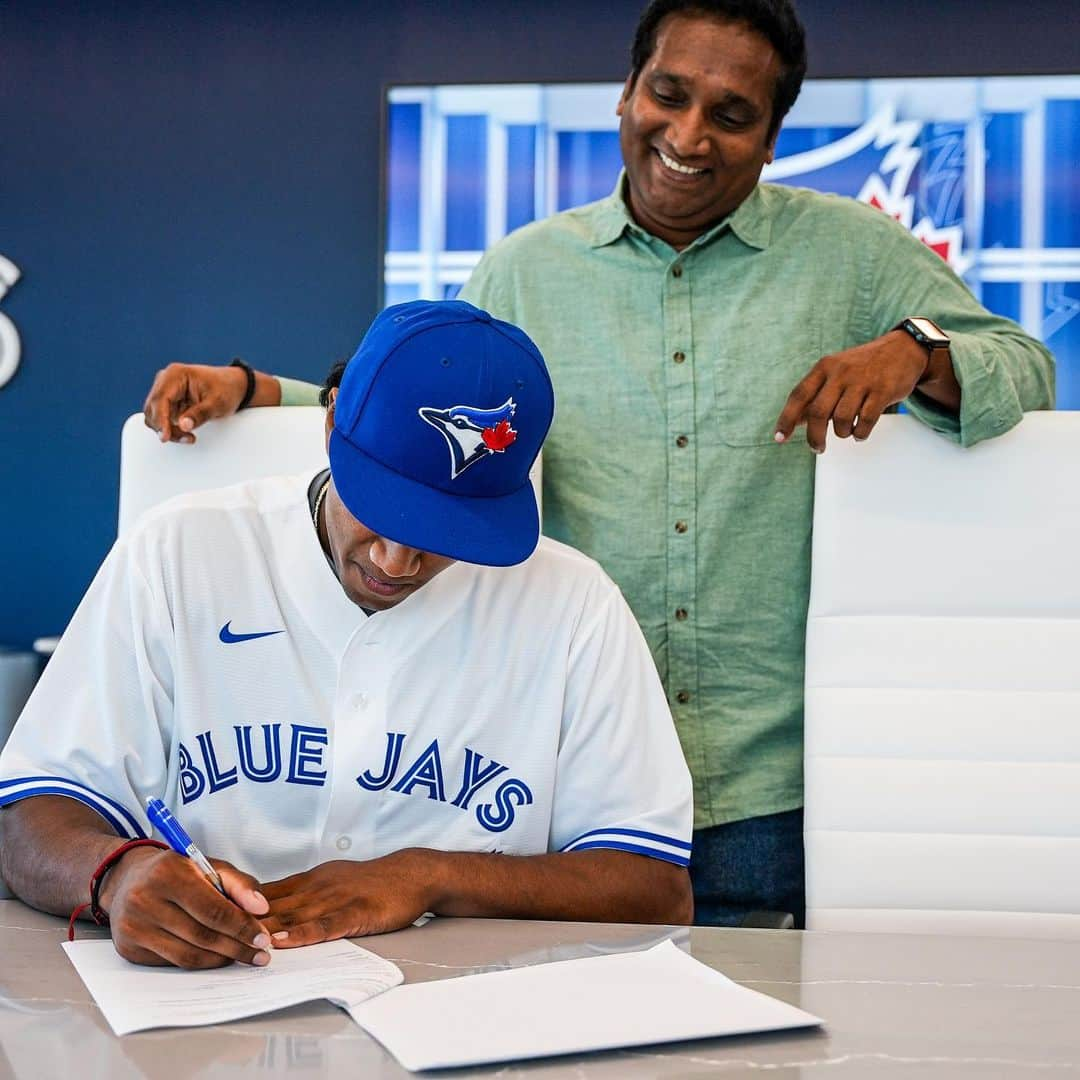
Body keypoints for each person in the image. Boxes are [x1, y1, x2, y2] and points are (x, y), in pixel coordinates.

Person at [138, 0, 1055, 927]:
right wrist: (262, 391)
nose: (689, 134)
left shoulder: (857, 255)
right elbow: (419, 429)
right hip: (566, 794)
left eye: (732, 116)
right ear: (625, 95)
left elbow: (1025, 367)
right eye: (668, 94)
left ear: (773, 138)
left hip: (776, 793)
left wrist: (917, 348)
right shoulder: (524, 272)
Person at [0, 300, 694, 969]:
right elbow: (28, 819)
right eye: (382, 509)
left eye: (442, 532)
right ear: (331, 427)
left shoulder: (573, 603)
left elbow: (656, 888)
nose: (395, 561)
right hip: (208, 1010)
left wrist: (429, 877)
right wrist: (118, 873)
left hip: (472, 1016)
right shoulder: (178, 552)